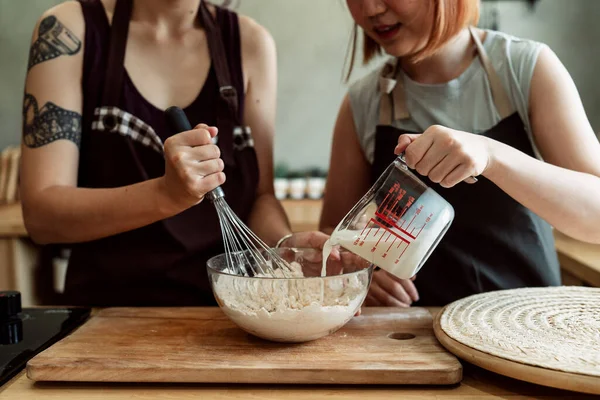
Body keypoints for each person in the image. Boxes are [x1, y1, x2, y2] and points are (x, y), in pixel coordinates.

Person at [20, 0, 327, 306]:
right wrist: (166, 194)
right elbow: (41, 216)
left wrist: (282, 247)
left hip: (232, 318)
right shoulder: (69, 30)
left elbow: (261, 198)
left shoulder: (250, 42)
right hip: (106, 319)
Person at [320, 0, 600, 307]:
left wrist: (491, 155)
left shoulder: (524, 66)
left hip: (527, 324)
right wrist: (358, 272)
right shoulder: (362, 102)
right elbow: (334, 236)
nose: (371, 9)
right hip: (414, 338)